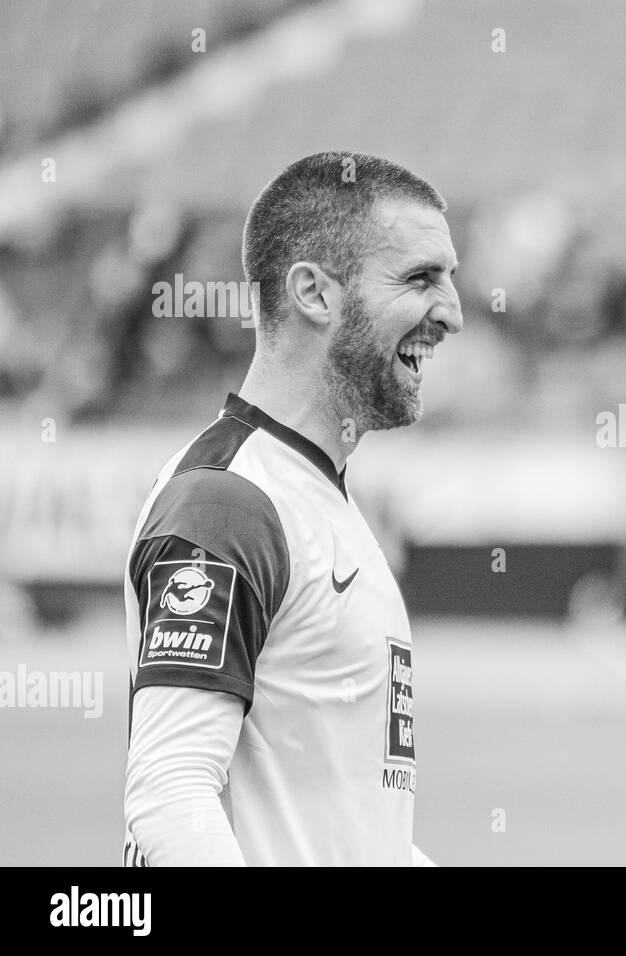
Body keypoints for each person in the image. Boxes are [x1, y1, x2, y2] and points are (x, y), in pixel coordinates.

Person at [122, 151, 462, 866]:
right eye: (420, 278)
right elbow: (171, 797)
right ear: (313, 292)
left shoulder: (319, 497)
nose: (453, 314)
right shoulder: (228, 504)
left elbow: (352, 830)